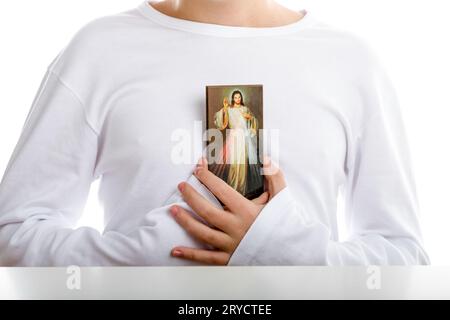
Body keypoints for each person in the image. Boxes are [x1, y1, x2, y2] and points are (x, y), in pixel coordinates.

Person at [0, 0, 430, 266]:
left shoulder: (352, 63)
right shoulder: (98, 50)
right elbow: (11, 235)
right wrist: (140, 259)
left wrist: (288, 252)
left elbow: (403, 257)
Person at [211, 90, 262, 197]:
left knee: (242, 164)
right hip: (233, 137)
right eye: (235, 97)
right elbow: (223, 125)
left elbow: (252, 122)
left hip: (243, 138)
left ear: (241, 99)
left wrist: (250, 118)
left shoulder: (245, 109)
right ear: (233, 99)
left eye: (239, 97)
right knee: (234, 164)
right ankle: (232, 189)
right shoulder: (229, 109)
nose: (237, 99)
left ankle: (241, 190)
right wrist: (224, 108)